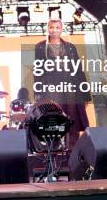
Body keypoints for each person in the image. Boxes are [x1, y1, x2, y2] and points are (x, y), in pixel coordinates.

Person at [34, 17, 91, 151]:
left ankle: (73, 153)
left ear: (61, 29)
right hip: (51, 88)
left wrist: (85, 94)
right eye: (52, 27)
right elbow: (38, 70)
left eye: (57, 27)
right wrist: (38, 92)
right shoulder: (40, 46)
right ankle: (53, 153)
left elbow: (78, 70)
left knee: (72, 120)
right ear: (48, 29)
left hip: (70, 87)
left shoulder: (70, 47)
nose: (54, 30)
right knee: (54, 120)